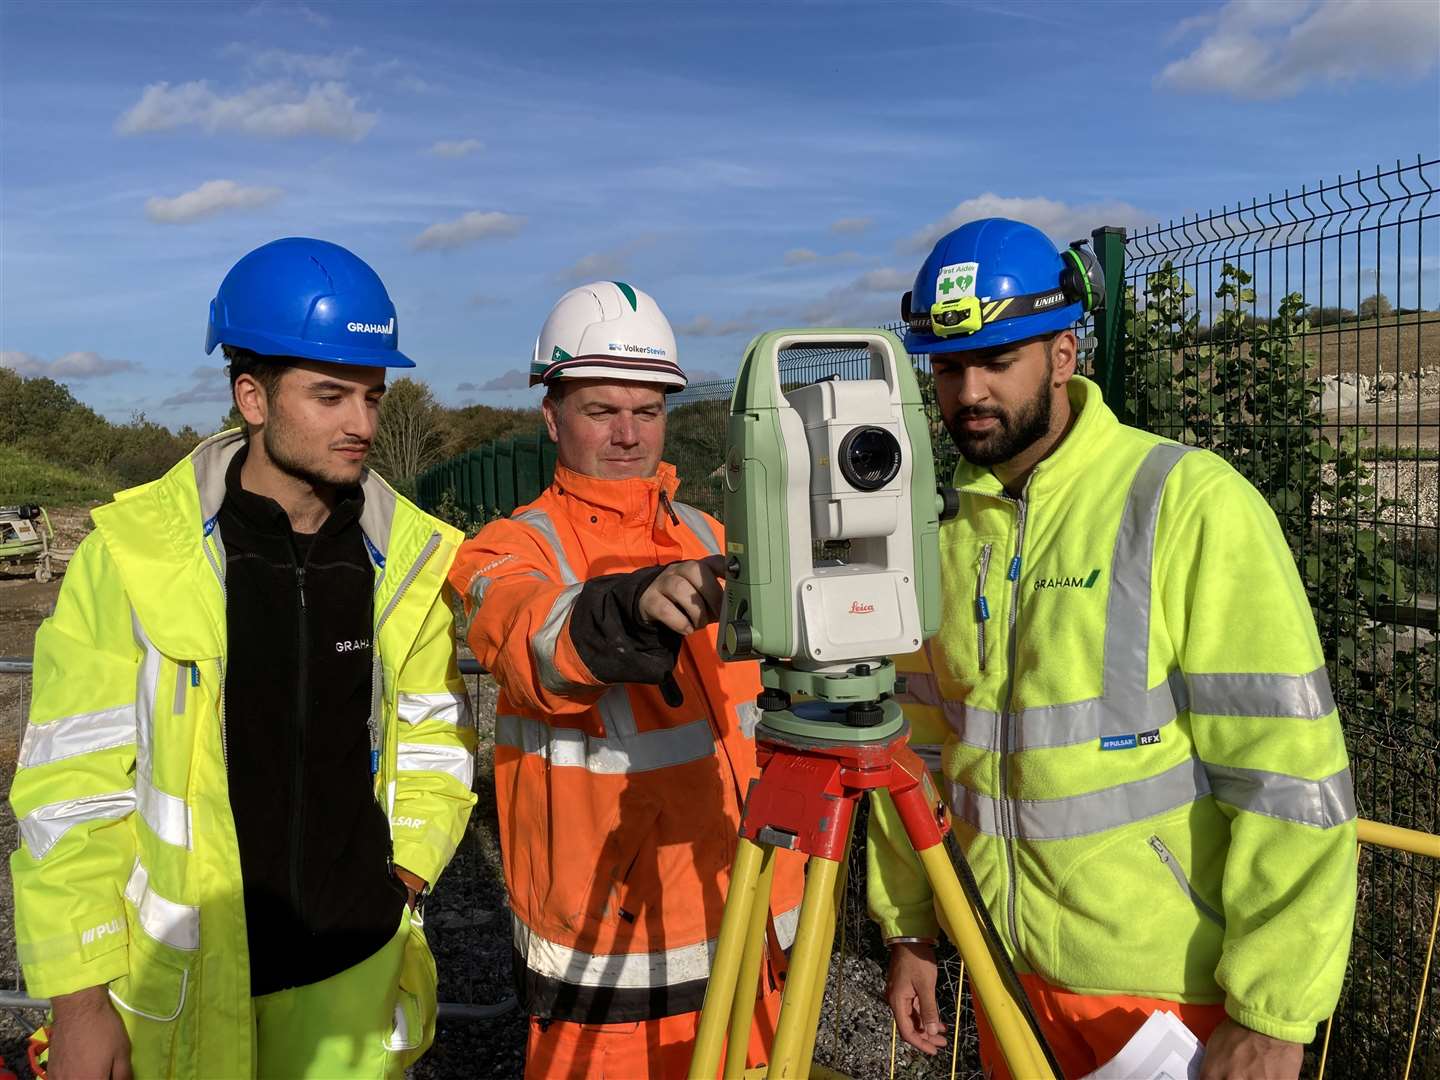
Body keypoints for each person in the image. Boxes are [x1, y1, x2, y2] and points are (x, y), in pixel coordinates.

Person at [870, 218, 1356, 1079]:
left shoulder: (1185, 502)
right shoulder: (941, 535)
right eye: (948, 368)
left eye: (997, 361)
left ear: (1063, 354)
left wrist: (1276, 1013)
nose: (968, 392)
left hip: (1169, 996)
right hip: (1005, 977)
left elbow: (1289, 773)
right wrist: (911, 927)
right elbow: (918, 748)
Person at [9, 237, 477, 1079]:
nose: (362, 425)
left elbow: (437, 734)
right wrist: (79, 1001)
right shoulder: (134, 557)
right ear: (251, 396)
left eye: (373, 396)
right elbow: (71, 790)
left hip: (354, 979)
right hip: (183, 985)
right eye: (331, 395)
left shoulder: (406, 561)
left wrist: (403, 874)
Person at [449, 280, 804, 1078]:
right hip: (612, 963)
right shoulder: (507, 549)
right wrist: (631, 607)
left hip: (747, 922)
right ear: (551, 416)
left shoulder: (709, 533)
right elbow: (534, 638)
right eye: (601, 411)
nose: (627, 434)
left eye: (647, 411)